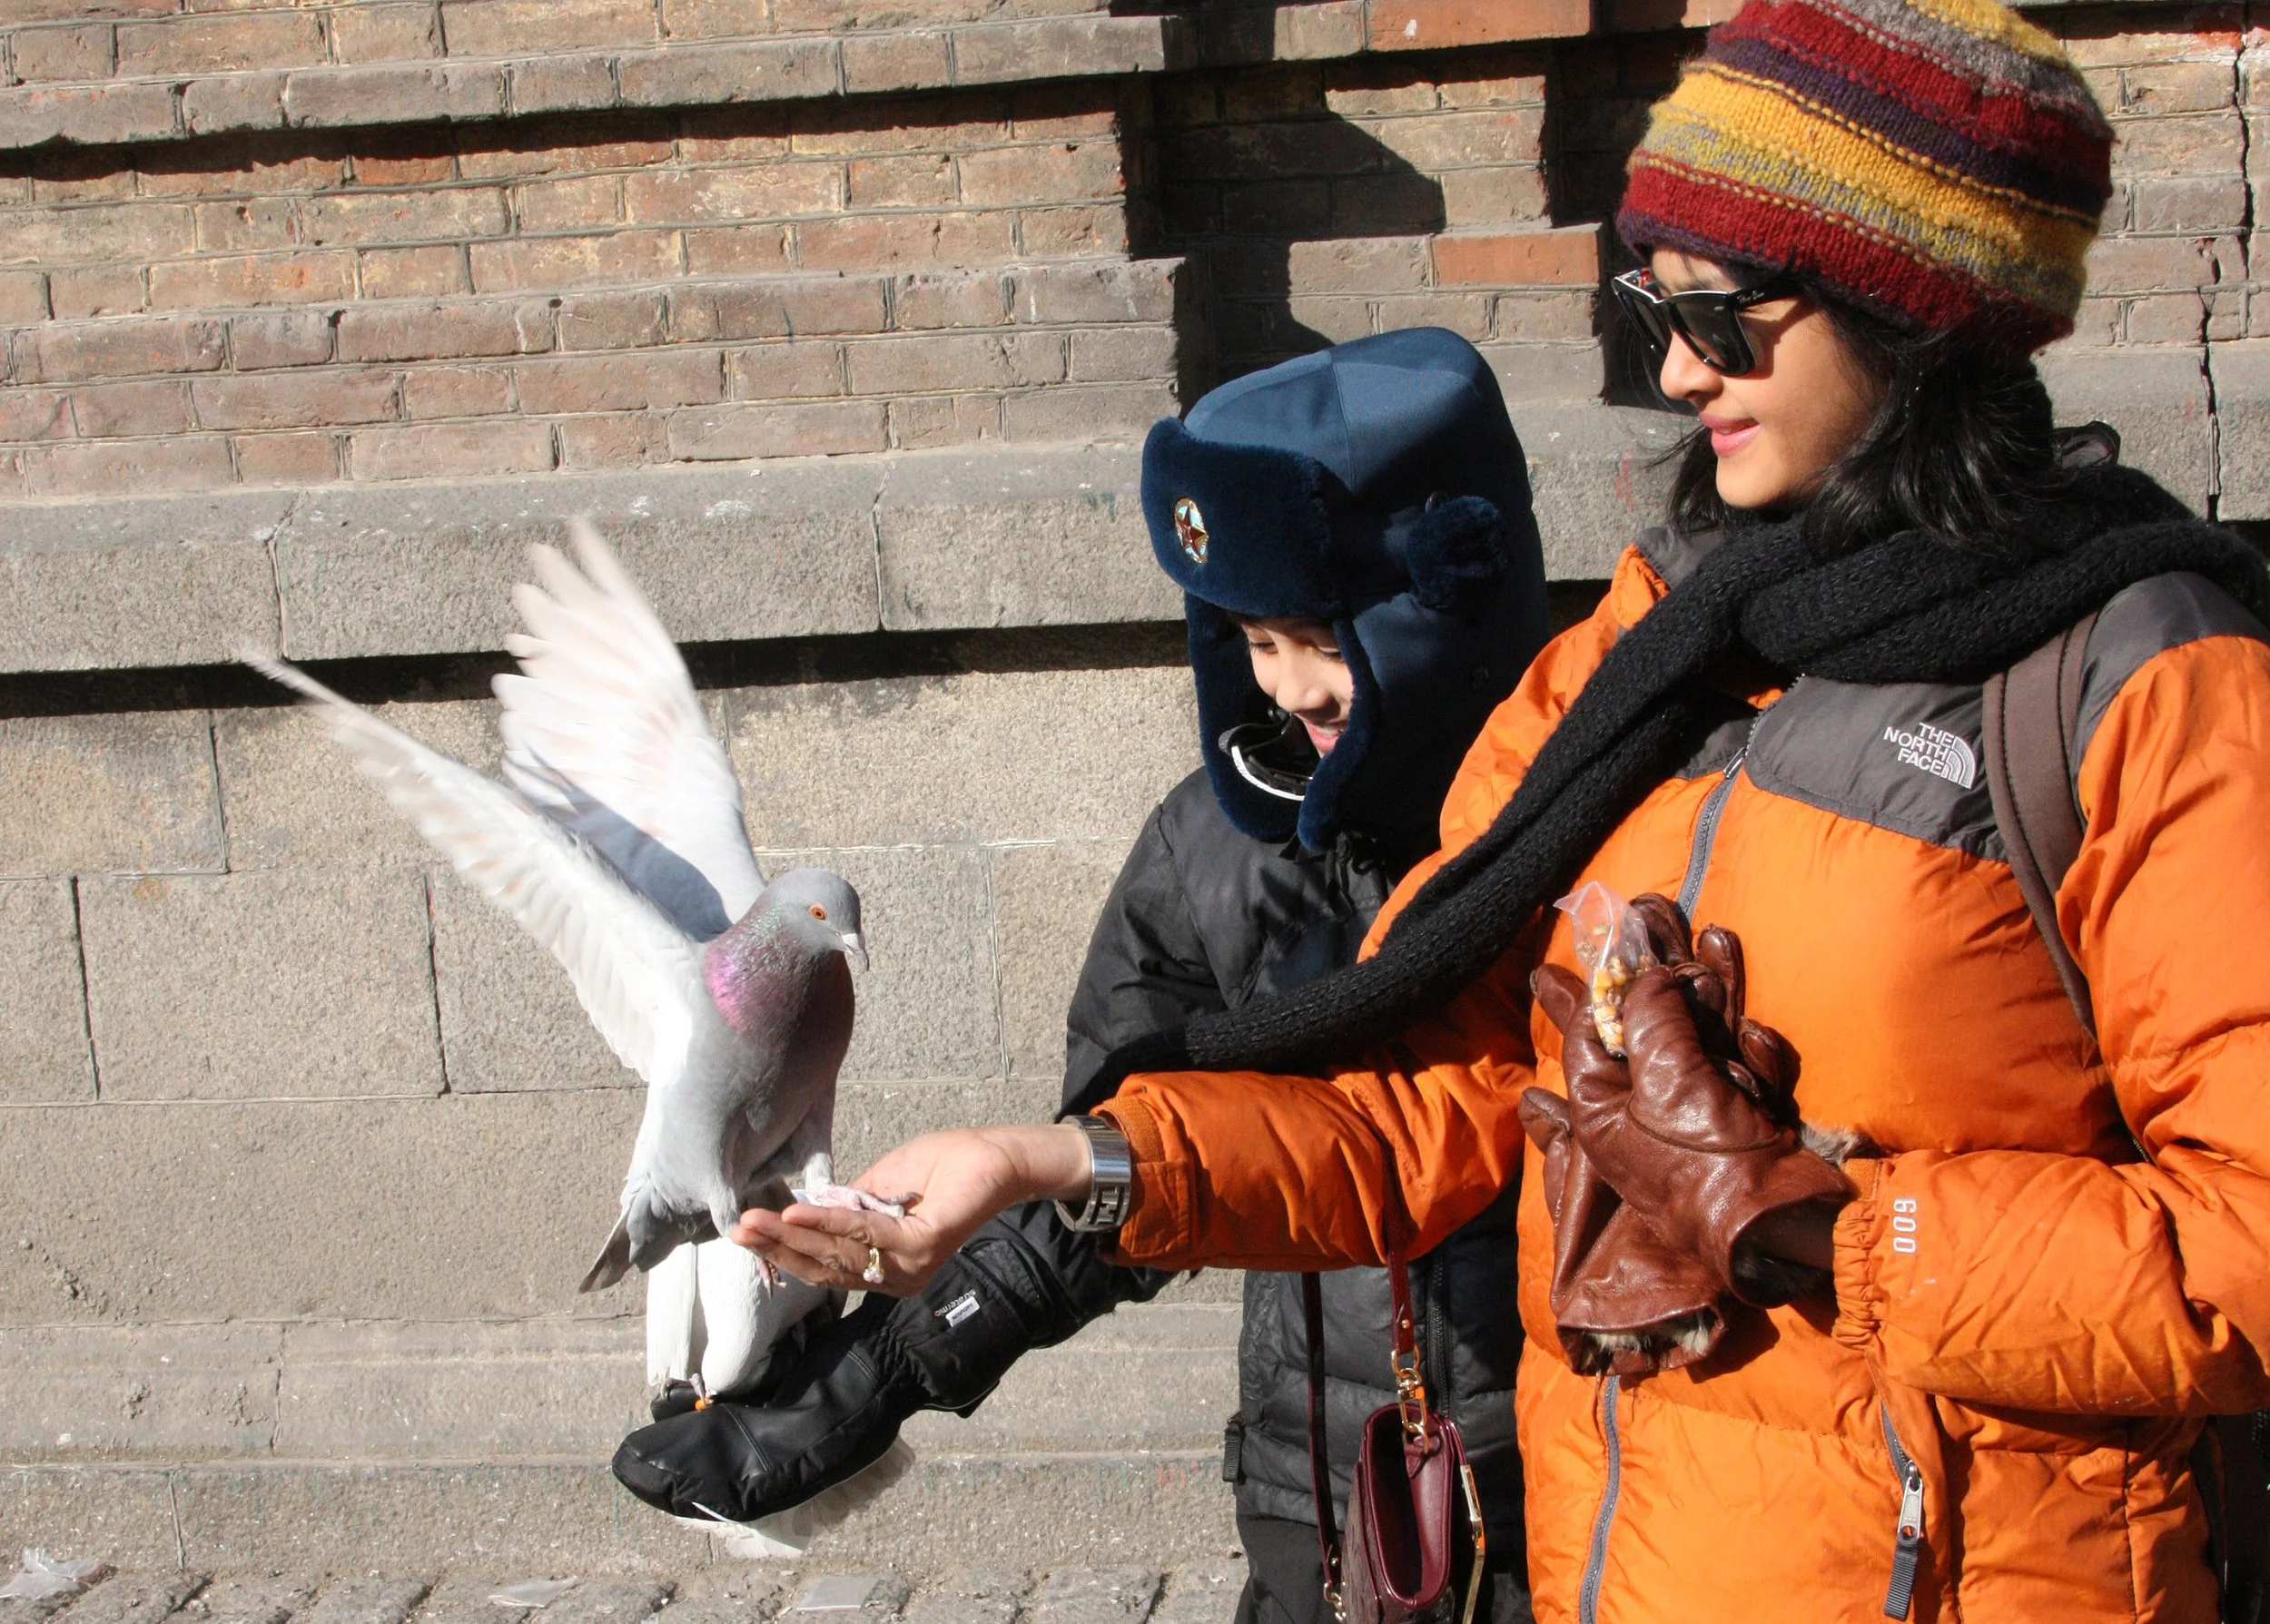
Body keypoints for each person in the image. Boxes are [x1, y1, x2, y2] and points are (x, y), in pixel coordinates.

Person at [737, 3, 2270, 1619]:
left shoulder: (2147, 672)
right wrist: (1049, 1161)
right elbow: (1430, 1106)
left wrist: (1812, 1226)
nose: (1678, 369)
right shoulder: (1647, 648)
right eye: (1650, 306)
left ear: (1915, 307)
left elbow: (2247, 1239)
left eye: (1723, 314)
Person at [615, 327, 1551, 1623]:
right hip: (1317, 1499)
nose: (1287, 689)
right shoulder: (1211, 846)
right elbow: (1107, 1167)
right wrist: (874, 1375)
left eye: (1315, 636)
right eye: (1252, 642)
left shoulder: (1611, 817)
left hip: (1576, 1488)